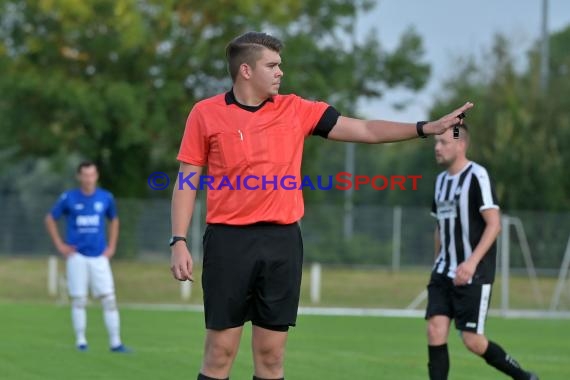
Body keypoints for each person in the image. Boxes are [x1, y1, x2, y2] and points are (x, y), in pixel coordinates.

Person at [170, 31, 472, 380]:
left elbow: (367, 130)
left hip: (282, 243)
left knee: (271, 358)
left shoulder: (296, 109)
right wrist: (179, 240)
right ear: (246, 71)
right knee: (219, 354)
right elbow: (187, 181)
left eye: (280, 64)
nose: (280, 71)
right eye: (272, 65)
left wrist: (427, 127)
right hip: (228, 243)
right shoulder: (205, 114)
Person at [425, 125, 538, 380]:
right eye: (436, 142)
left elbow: (494, 224)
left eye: (443, 142)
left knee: (472, 340)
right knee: (435, 330)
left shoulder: (478, 176)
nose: (437, 147)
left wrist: (471, 263)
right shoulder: (440, 181)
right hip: (443, 272)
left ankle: (523, 377)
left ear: (461, 144)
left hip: (472, 274)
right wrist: (436, 264)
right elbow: (439, 227)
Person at [45, 161, 130, 353]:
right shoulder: (69, 197)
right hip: (77, 256)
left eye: (92, 175)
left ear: (96, 176)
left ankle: (115, 342)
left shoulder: (106, 197)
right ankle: (81, 341)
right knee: (79, 299)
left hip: (99, 256)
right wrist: (60, 245)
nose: (88, 179)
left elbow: (114, 220)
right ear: (79, 176)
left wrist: (112, 246)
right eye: (85, 175)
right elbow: (50, 218)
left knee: (109, 298)